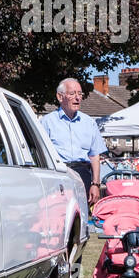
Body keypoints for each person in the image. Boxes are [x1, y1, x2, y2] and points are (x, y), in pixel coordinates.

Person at [38, 78, 104, 206]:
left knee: (82, 218)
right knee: (60, 217)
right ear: (60, 97)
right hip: (58, 174)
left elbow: (95, 155)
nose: (77, 98)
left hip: (83, 175)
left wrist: (95, 184)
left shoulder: (89, 123)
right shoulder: (46, 122)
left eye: (80, 94)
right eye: (72, 93)